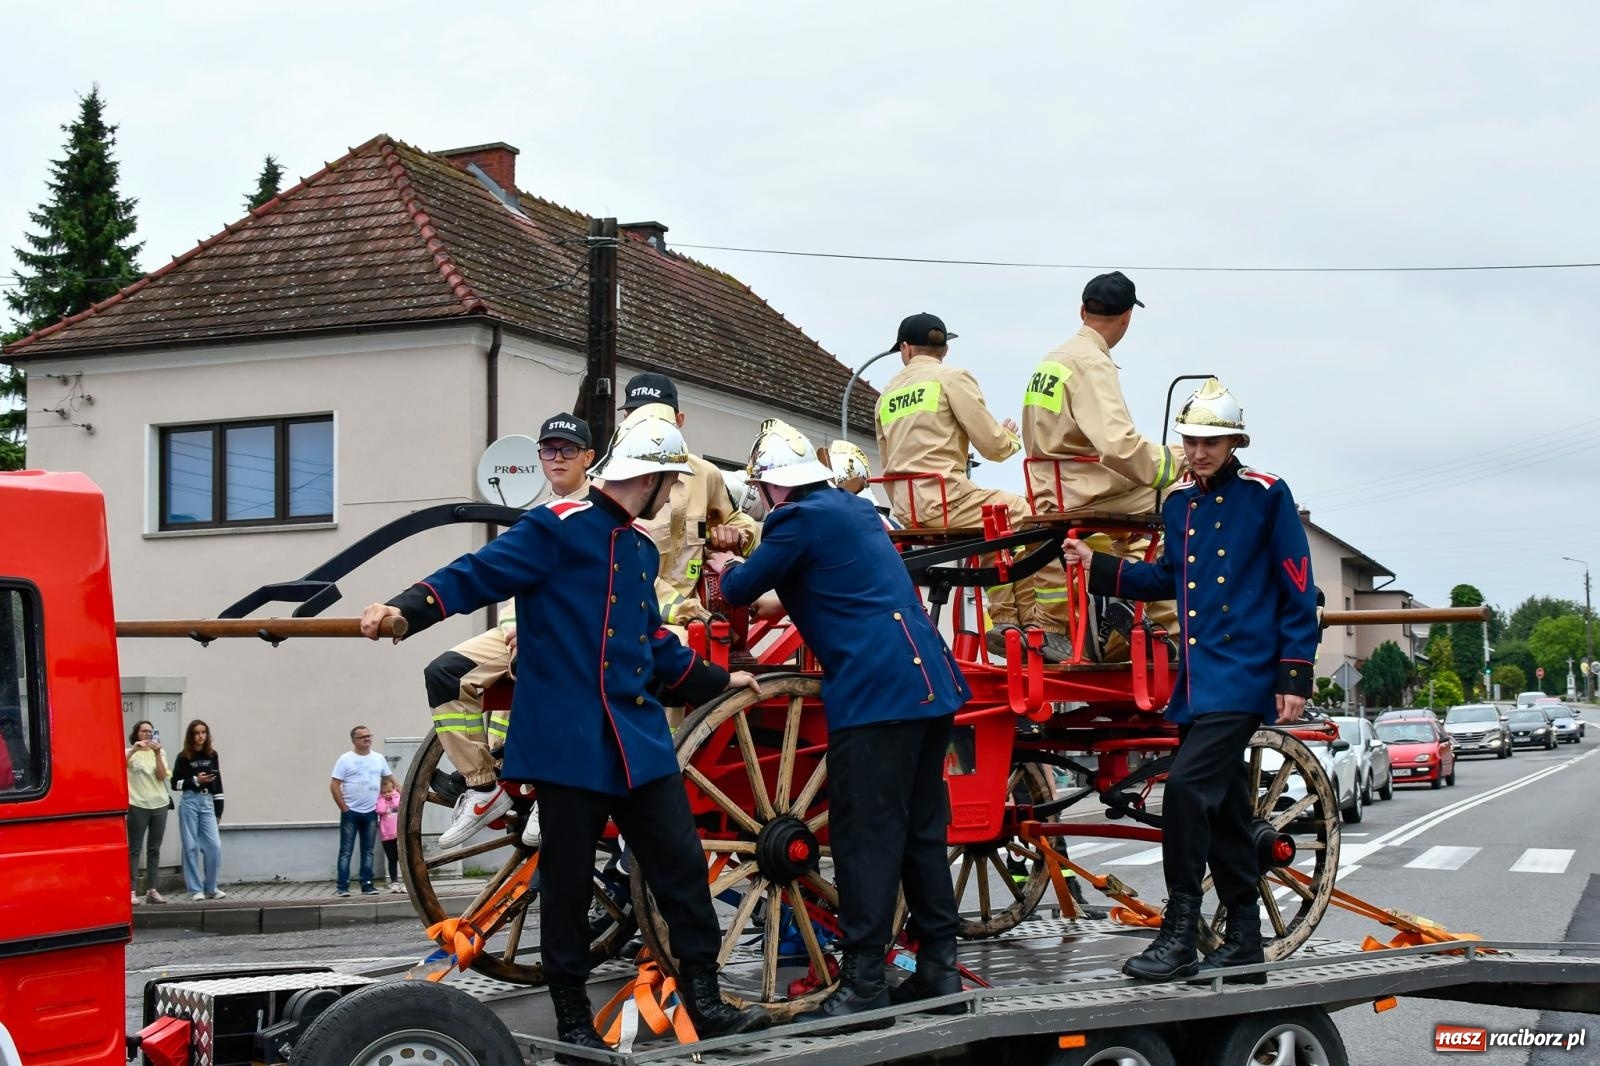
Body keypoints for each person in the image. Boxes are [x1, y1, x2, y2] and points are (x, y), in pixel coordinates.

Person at [359, 412, 770, 1051]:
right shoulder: (555, 528)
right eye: (672, 482)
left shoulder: (636, 547)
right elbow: (476, 573)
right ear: (656, 477)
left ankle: (707, 1002)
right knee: (568, 884)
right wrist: (405, 609)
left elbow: (653, 643)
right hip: (569, 743)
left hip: (636, 742)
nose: (674, 495)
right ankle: (575, 1022)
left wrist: (720, 681)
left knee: (683, 871)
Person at [1061, 378, 1318, 981]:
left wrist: (1295, 672)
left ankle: (1178, 933)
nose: (1198, 452)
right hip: (1199, 680)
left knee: (1184, 794)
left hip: (1246, 673)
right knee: (1227, 812)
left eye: (1210, 442)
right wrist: (1098, 567)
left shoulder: (1267, 494)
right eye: (1190, 441)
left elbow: (1298, 583)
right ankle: (1245, 939)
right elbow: (1165, 580)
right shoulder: (1178, 503)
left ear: (1234, 442)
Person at [713, 418, 969, 1023]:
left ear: (774, 488)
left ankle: (864, 986)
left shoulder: (793, 519)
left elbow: (741, 589)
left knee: (865, 838)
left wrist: (725, 561)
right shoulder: (853, 511)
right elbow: (815, 586)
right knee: (921, 833)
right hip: (928, 684)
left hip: (876, 695)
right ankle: (938, 971)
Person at [426, 412, 596, 850]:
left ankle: (550, 788)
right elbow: (508, 586)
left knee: (542, 668)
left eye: (568, 450)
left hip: (579, 635)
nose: (557, 458)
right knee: (445, 671)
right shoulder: (539, 518)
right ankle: (483, 785)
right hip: (521, 627)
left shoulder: (601, 512)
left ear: (588, 457)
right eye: (549, 449)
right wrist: (515, 628)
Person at [873, 314, 1067, 660]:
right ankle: (1045, 626)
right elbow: (992, 446)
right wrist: (1008, 438)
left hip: (908, 509)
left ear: (905, 349)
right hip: (947, 499)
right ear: (944, 348)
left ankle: (1008, 623)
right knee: (1037, 517)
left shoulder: (886, 395)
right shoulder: (952, 378)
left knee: (997, 521)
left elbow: (886, 459)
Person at [1021, 271, 1184, 660]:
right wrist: (1175, 461)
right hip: (1084, 489)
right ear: (1127, 318)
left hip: (1048, 486)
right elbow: (1119, 447)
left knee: (1136, 518)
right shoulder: (1092, 364)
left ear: (1082, 310)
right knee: (1178, 498)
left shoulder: (1051, 360)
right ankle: (1166, 626)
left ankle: (1111, 611)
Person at [621, 373, 759, 632]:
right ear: (625, 420)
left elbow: (739, 522)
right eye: (636, 416)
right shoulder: (610, 483)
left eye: (656, 418)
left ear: (679, 421)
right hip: (633, 619)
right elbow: (621, 568)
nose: (646, 427)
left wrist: (734, 535)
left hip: (694, 625)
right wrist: (686, 611)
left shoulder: (705, 474)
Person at [330, 725, 394, 897]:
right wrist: (343, 807)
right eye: (362, 737)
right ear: (354, 740)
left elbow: (389, 779)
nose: (367, 739)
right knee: (346, 850)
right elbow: (334, 785)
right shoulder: (345, 759)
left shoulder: (378, 758)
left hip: (371, 812)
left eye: (369, 735)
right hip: (351, 812)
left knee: (368, 850)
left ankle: (367, 884)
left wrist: (403, 795)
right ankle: (342, 886)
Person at [171, 719, 225, 901]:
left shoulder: (212, 754)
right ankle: (195, 889)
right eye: (197, 733)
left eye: (203, 732)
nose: (201, 736)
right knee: (191, 846)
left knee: (214, 846)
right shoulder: (184, 756)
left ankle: (211, 887)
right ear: (191, 736)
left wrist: (219, 811)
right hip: (190, 801)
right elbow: (175, 784)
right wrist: (195, 780)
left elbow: (218, 782)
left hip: (208, 801)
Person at [126, 720, 170, 904]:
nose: (147, 735)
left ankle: (152, 890)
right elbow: (117, 767)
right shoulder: (130, 752)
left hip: (159, 804)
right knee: (135, 849)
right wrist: (135, 750)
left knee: (154, 849)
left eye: (150, 732)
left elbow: (161, 776)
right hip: (137, 804)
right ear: (136, 734)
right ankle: (131, 891)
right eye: (144, 731)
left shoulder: (160, 752)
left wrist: (158, 754)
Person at [377, 777, 404, 893]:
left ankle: (407, 882)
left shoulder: (397, 796)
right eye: (384, 792)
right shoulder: (380, 800)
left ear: (394, 789)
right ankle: (394, 882)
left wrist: (393, 797)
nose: (387, 794)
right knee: (392, 859)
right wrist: (383, 799)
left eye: (389, 791)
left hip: (399, 834)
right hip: (387, 836)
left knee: (403, 859)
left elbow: (398, 805)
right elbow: (380, 810)